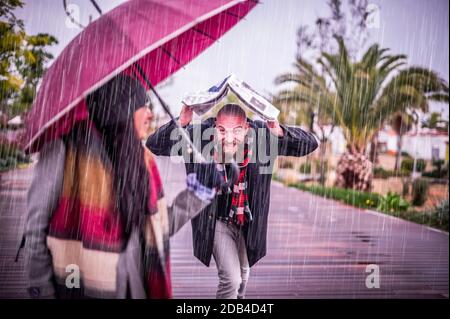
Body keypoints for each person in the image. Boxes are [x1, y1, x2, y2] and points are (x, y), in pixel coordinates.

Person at [23, 75, 221, 298]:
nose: (149, 114)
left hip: (135, 285)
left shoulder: (141, 161)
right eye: (142, 106)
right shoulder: (63, 151)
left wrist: (200, 193)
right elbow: (34, 229)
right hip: (78, 287)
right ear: (121, 109)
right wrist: (42, 291)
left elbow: (157, 227)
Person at [147, 103, 319, 298]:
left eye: (236, 131)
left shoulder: (263, 137)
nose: (229, 138)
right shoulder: (197, 137)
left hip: (248, 222)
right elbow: (154, 144)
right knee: (231, 279)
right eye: (221, 130)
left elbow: (310, 143)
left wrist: (278, 130)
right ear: (214, 127)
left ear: (246, 128)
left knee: (243, 276)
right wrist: (182, 121)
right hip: (217, 220)